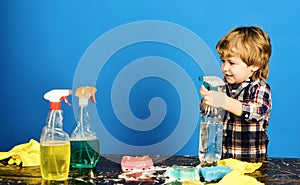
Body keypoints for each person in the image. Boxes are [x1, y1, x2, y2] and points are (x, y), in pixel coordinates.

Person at [200, 26, 272, 162]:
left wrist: (224, 101)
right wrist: (206, 98)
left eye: (231, 63)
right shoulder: (221, 86)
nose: (224, 68)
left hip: (250, 163)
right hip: (221, 160)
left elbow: (256, 112)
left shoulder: (260, 88)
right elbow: (206, 112)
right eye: (223, 61)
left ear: (255, 65)